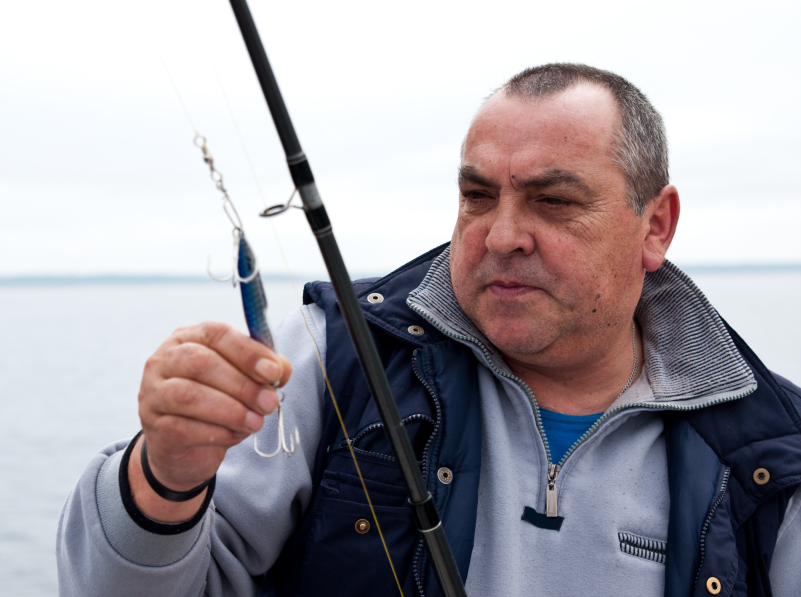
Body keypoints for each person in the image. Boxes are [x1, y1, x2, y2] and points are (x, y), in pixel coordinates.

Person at [57, 64, 801, 597]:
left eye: (553, 201)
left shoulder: (774, 450)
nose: (503, 233)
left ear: (656, 225)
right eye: (478, 195)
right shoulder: (332, 353)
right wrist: (163, 474)